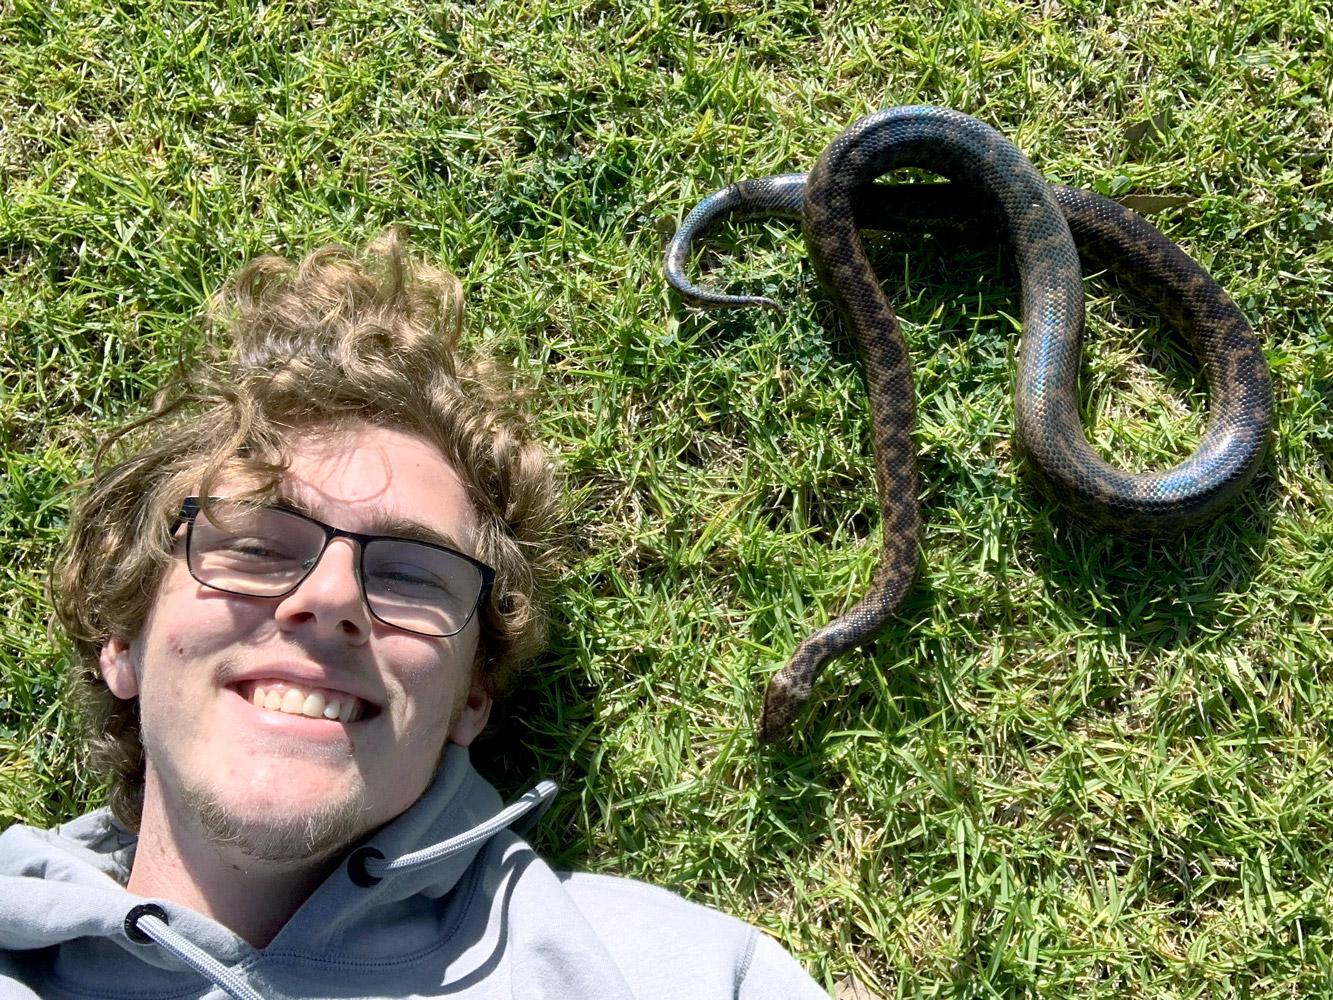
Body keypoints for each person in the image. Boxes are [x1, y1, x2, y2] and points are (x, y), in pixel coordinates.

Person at [0, 231, 829, 999]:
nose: (327, 598)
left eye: (408, 574)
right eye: (254, 546)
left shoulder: (686, 979)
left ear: (472, 696)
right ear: (124, 638)